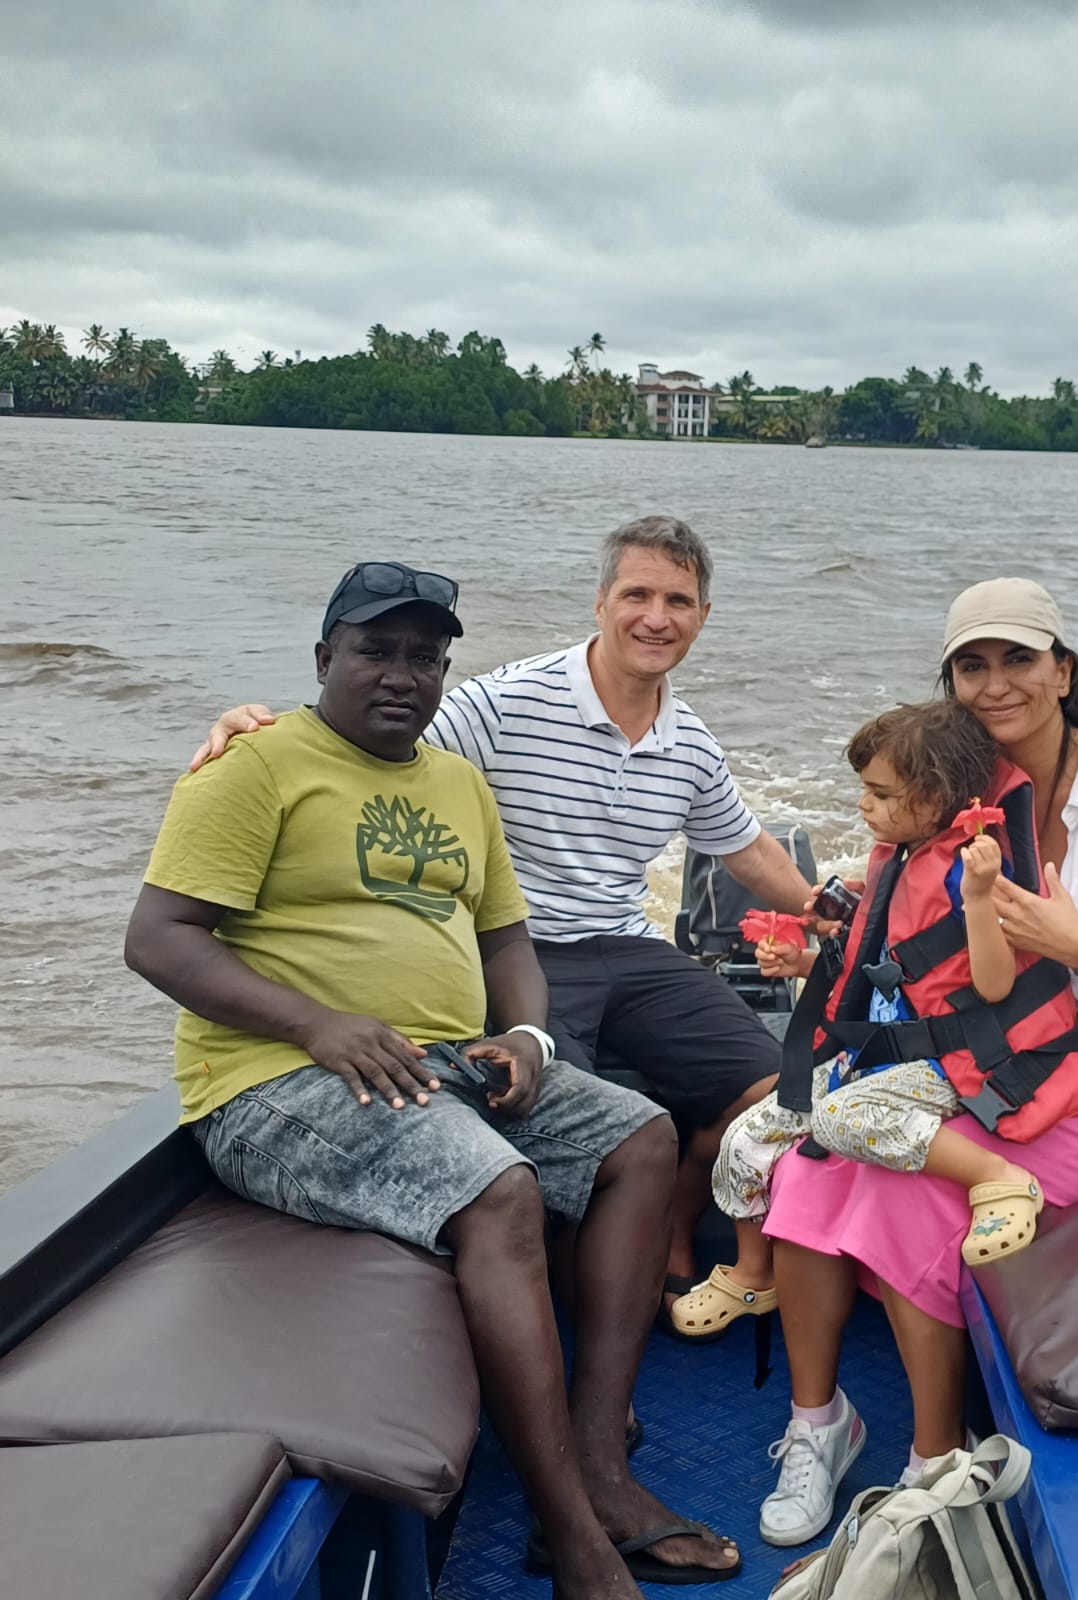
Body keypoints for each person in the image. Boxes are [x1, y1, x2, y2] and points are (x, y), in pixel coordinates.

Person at [125, 561, 742, 1597]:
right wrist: (317, 1024)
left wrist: (529, 1039)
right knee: (501, 1190)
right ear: (325, 657)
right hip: (277, 1080)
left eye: (425, 657)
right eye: (375, 651)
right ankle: (575, 1539)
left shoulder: (457, 783)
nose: (401, 675)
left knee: (640, 1135)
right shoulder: (255, 766)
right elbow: (158, 938)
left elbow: (506, 940)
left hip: (442, 1061)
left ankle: (600, 1468)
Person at [189, 517, 819, 1319]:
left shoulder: (689, 742)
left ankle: (674, 1225)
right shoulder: (504, 702)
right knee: (578, 1128)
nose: (656, 618)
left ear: (702, 616)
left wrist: (836, 912)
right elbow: (373, 733)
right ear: (600, 602)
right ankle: (574, 1296)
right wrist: (258, 728)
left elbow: (748, 851)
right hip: (524, 953)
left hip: (629, 947)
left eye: (678, 601)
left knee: (778, 1089)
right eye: (637, 595)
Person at [754, 576, 1078, 1551]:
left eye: (1018, 659)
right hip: (977, 1061)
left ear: (1063, 671)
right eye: (972, 665)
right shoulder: (964, 792)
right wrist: (831, 928)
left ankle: (935, 1462)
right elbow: (909, 920)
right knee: (809, 1162)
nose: (996, 684)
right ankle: (819, 1423)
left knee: (908, 1193)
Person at [671, 698, 1078, 1341]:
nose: (864, 805)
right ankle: (755, 1271)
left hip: (952, 1059)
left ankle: (1000, 1180)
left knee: (840, 1119)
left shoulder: (971, 872)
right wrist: (802, 961)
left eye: (881, 794)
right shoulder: (899, 860)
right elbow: (885, 963)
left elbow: (995, 982)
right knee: (745, 1139)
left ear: (936, 798)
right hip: (879, 1050)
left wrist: (980, 896)